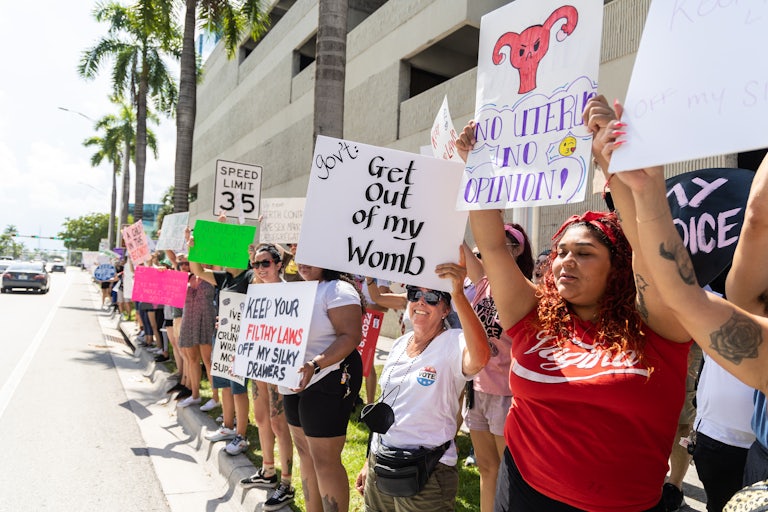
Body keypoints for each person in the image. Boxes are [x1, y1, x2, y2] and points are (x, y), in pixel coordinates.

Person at [455, 117, 693, 511]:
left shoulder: (658, 328)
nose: (565, 262)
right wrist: (475, 167)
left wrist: (611, 166)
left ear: (618, 267)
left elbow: (651, 256)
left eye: (584, 254)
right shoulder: (534, 316)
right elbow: (494, 248)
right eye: (562, 251)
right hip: (521, 492)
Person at [591, 98, 768, 491]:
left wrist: (646, 189)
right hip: (721, 446)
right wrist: (633, 183)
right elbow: (677, 289)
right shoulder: (747, 310)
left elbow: (681, 293)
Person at [354, 249, 490, 511]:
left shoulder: (454, 342)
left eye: (432, 298)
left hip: (427, 471)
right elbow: (386, 405)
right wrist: (367, 461)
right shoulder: (400, 343)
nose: (421, 303)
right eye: (416, 295)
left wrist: (459, 294)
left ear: (445, 309)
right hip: (381, 463)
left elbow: (481, 357)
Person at [280, 264, 365, 512]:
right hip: (293, 380)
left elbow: (350, 336)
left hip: (328, 377)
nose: (303, 262)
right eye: (299, 254)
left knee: (325, 460)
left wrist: (316, 364)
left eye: (311, 255)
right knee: (305, 453)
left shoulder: (337, 290)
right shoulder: (298, 289)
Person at [461, 226, 534, 512]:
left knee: (510, 474)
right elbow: (460, 243)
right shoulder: (482, 282)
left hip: (508, 394)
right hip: (478, 391)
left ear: (517, 250)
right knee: (487, 469)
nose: (490, 248)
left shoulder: (525, 289)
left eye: (502, 243)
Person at [238, 244, 296, 511]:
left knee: (278, 422)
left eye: (266, 263)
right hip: (257, 362)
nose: (260, 269)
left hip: (278, 365)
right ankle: (267, 470)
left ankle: (286, 482)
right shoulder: (254, 293)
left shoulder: (289, 292)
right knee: (261, 418)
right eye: (256, 264)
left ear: (278, 264)